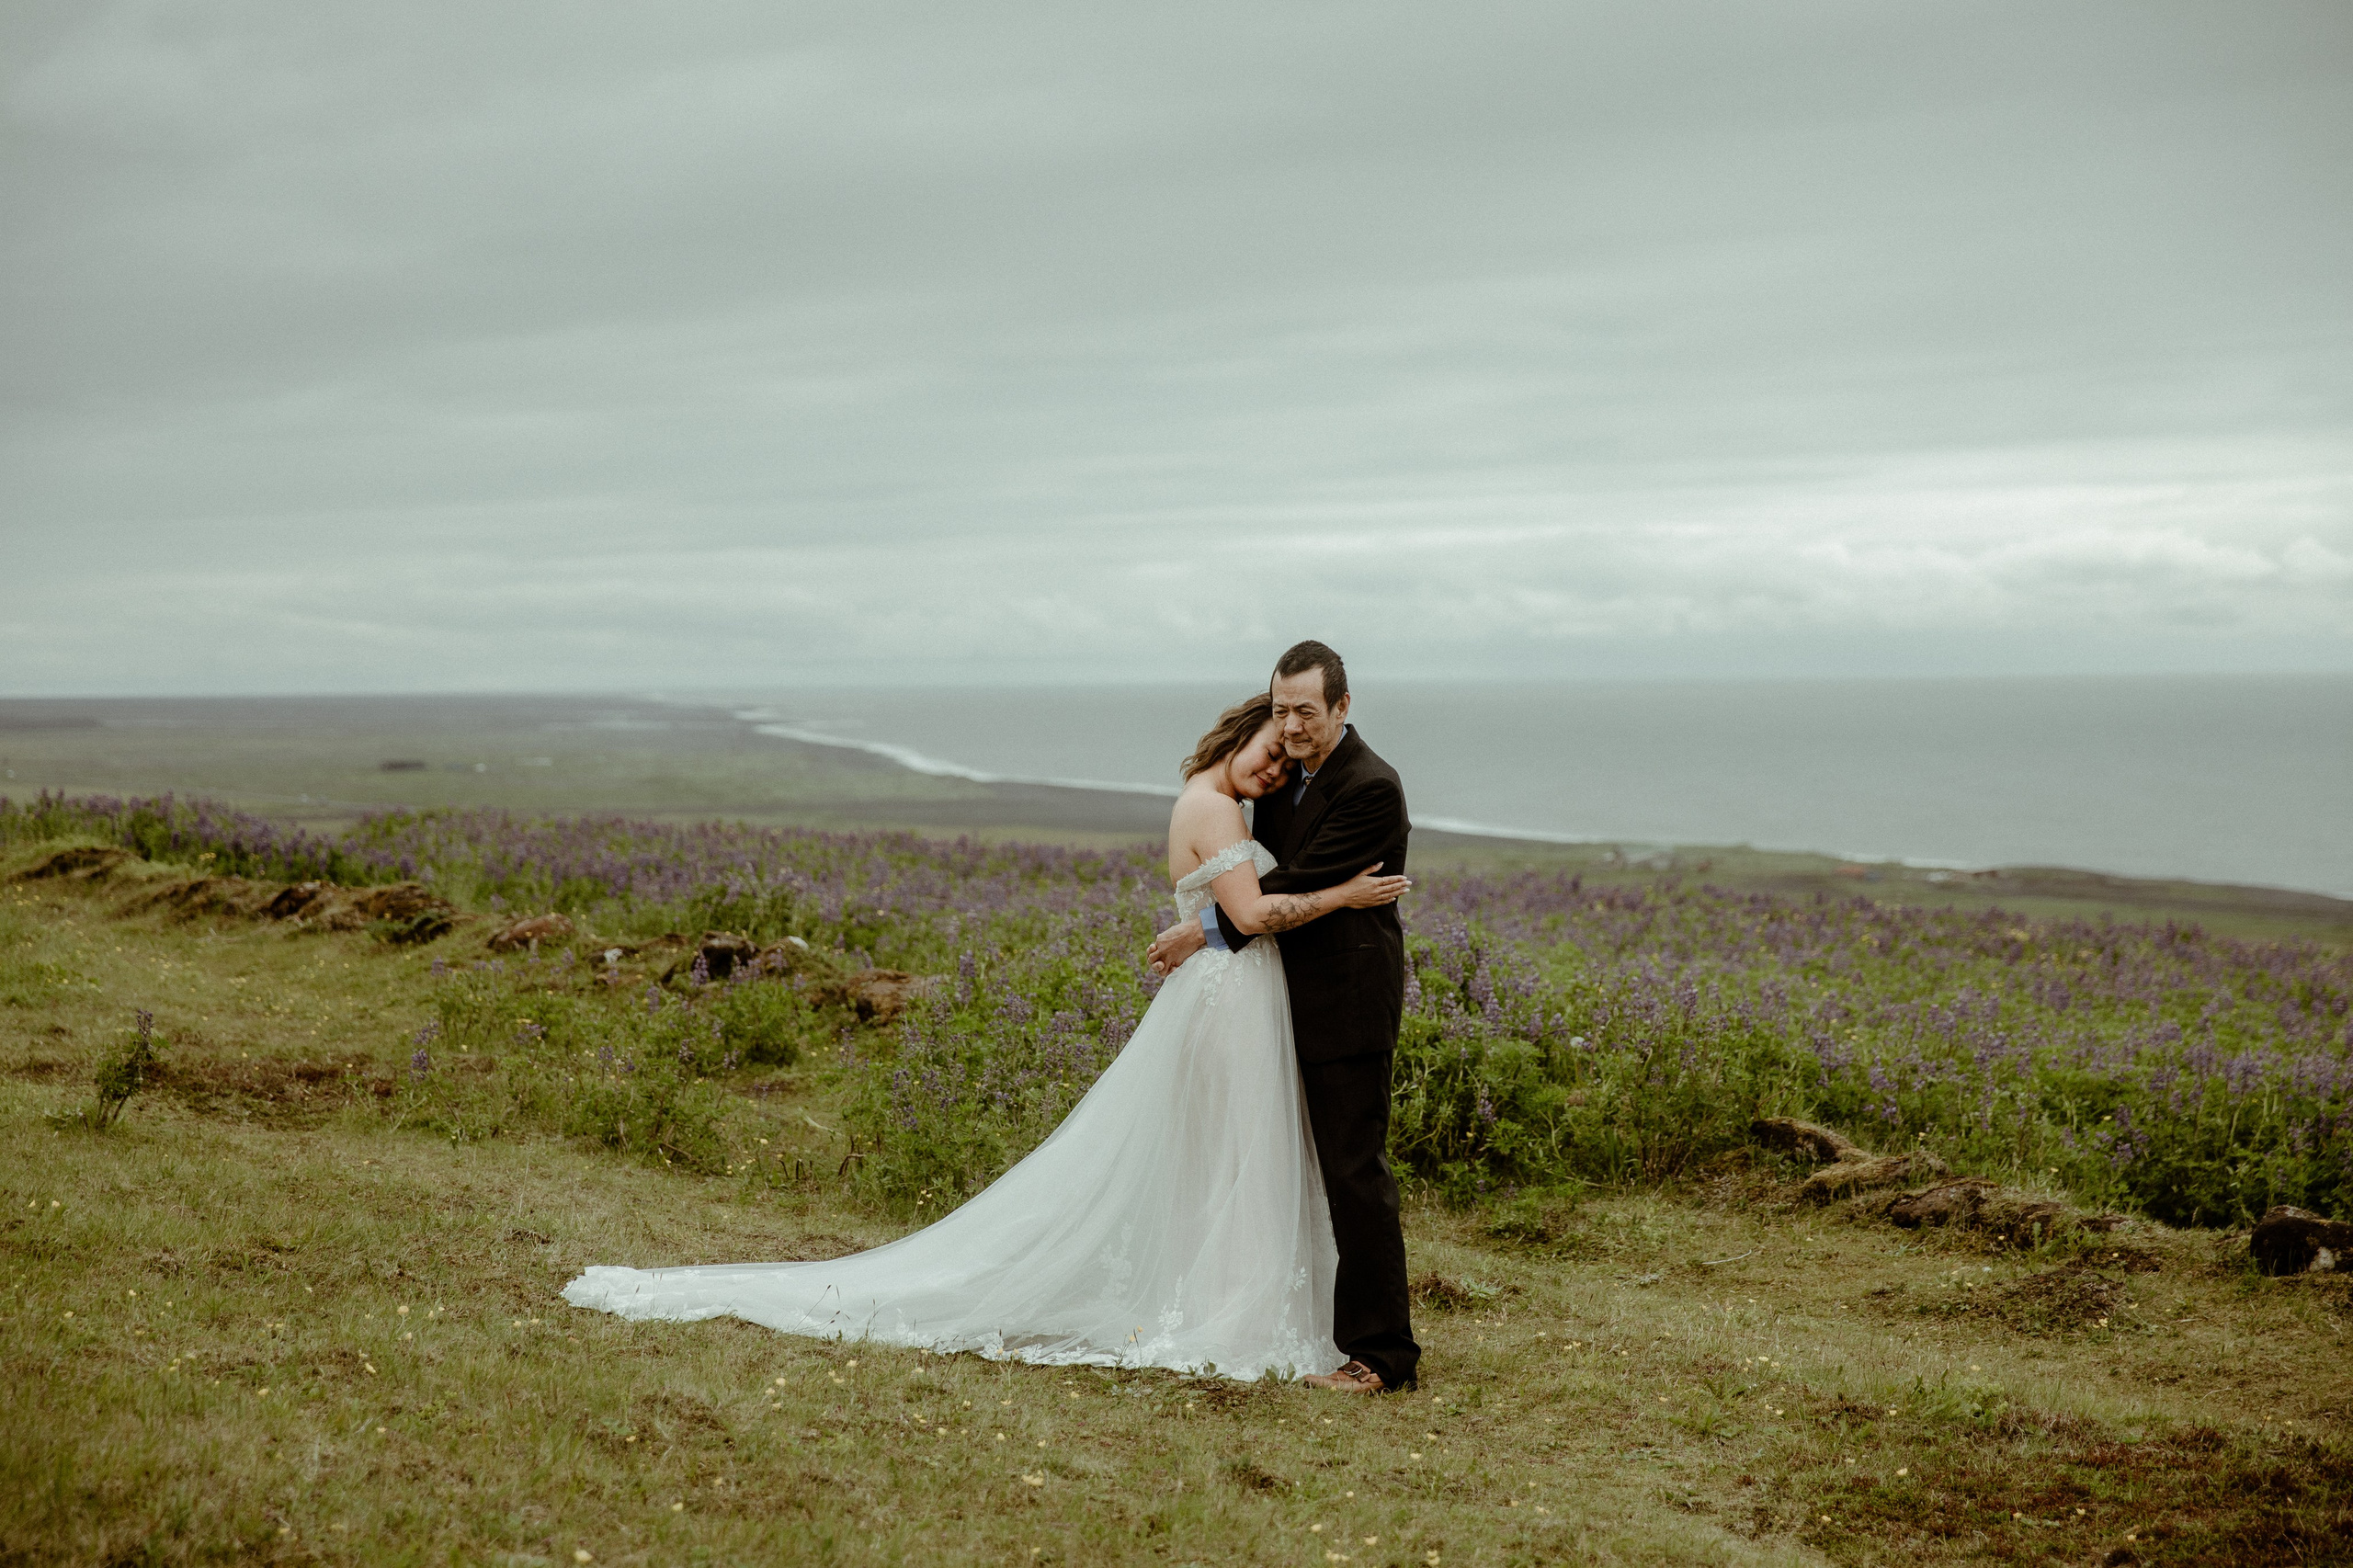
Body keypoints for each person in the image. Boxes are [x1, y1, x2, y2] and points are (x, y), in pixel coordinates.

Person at [560, 690, 1408, 1382]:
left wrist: (1210, 930)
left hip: (1236, 993)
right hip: (1228, 1002)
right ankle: (1234, 1311)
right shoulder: (1215, 810)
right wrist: (1347, 897)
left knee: (1237, 1157)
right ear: (1240, 732)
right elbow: (1256, 911)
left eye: (1283, 750)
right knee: (1235, 1155)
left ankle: (1251, 1303)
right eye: (1266, 746)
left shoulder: (1226, 804)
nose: (1273, 763)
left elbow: (1234, 913)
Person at [1145, 640, 1420, 1394]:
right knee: (1273, 1165)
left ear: (1342, 706)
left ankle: (1384, 1358)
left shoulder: (1371, 788)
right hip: (1269, 1005)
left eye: (1306, 711)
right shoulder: (1276, 783)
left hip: (1345, 1007)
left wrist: (1198, 931)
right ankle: (1286, 1319)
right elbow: (1250, 876)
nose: (1292, 728)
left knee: (1352, 1173)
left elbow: (1291, 883)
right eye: (1280, 710)